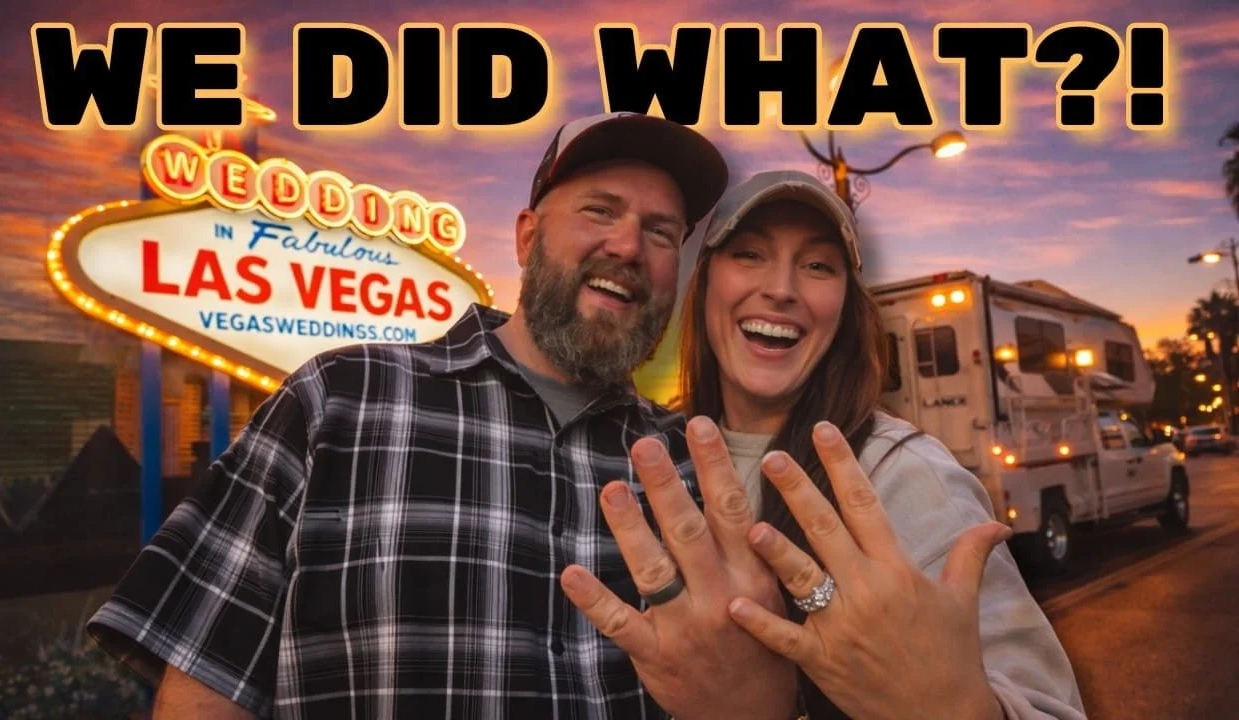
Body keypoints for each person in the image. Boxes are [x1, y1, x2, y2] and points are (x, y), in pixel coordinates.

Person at [85, 113, 803, 720]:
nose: (627, 246)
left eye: (660, 232)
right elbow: (204, 691)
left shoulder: (690, 465)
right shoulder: (340, 399)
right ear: (527, 237)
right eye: (600, 210)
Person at [567, 169, 1087, 719]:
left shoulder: (897, 471)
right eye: (748, 254)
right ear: (705, 283)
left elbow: (1050, 706)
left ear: (844, 309)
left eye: (817, 266)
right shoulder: (650, 453)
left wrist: (962, 708)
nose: (782, 289)